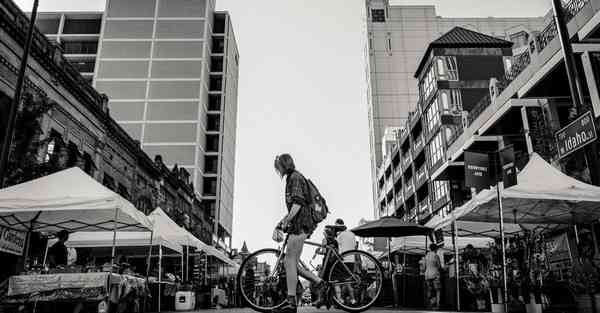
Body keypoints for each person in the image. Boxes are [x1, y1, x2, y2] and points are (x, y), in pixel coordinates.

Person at [273, 153, 327, 313]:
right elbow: (294, 208)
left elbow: (297, 205)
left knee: (289, 261)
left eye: (278, 167)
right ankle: (320, 282)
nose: (277, 170)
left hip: (301, 224)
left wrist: (286, 221)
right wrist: (281, 222)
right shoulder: (293, 177)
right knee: (292, 264)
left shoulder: (294, 178)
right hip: (300, 224)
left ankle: (291, 304)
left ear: (284, 165)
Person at [333, 219, 357, 305]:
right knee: (348, 281)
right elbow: (354, 245)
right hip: (352, 260)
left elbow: (336, 245)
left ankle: (340, 299)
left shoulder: (340, 235)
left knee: (335, 279)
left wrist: (335, 237)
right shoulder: (352, 234)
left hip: (343, 260)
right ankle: (353, 299)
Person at [425, 243, 442, 309]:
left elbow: (424, 267)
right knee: (437, 290)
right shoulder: (436, 256)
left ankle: (430, 305)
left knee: (429, 290)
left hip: (427, 274)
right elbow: (439, 266)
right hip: (435, 274)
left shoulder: (426, 256)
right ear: (436, 249)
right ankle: (438, 305)